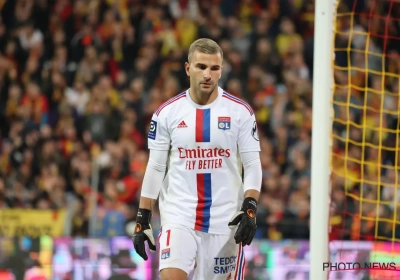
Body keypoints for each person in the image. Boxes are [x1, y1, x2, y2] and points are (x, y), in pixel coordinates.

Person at [132, 38, 262, 280]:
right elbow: (156, 166)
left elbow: (253, 165)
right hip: (179, 217)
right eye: (201, 66)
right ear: (187, 68)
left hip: (226, 222)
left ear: (221, 70)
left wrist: (250, 207)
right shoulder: (166, 113)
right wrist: (143, 218)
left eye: (214, 68)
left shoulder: (240, 112)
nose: (208, 74)